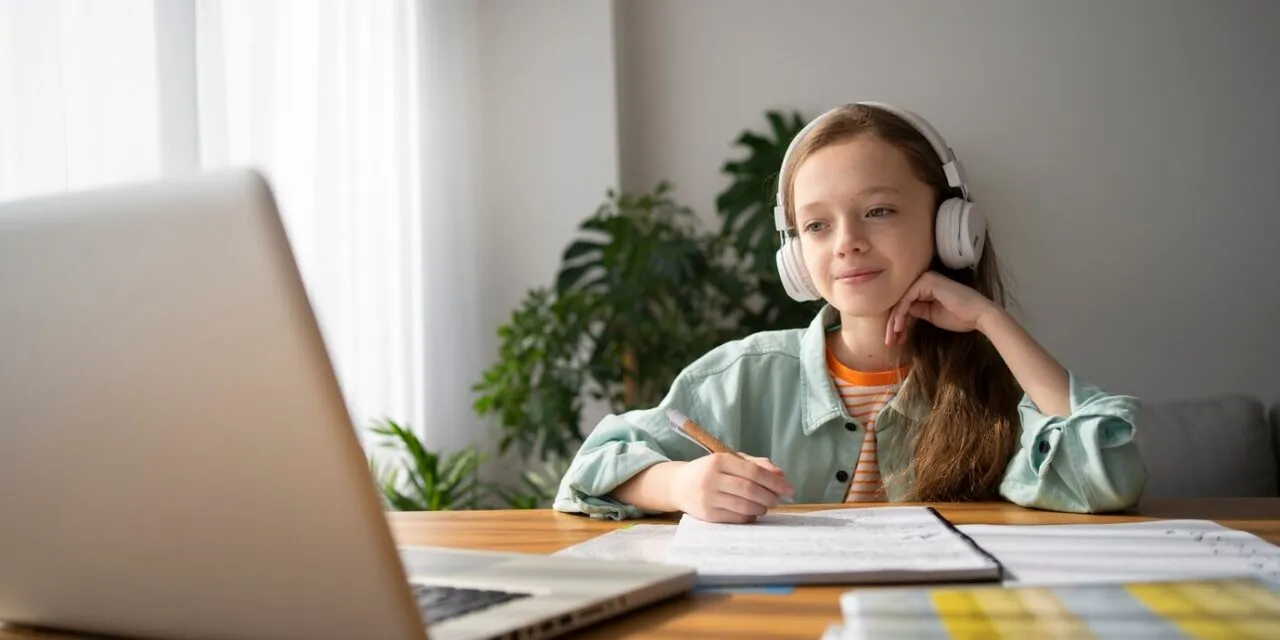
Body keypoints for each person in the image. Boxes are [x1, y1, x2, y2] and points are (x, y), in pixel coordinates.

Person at [552, 102, 1146, 523]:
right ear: (796, 254)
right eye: (816, 224)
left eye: (879, 211)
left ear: (951, 227)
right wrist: (679, 484)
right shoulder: (740, 377)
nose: (847, 242)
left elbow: (1108, 475)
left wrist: (994, 323)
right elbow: (591, 469)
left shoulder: (997, 388)